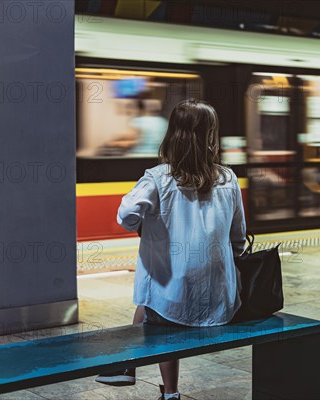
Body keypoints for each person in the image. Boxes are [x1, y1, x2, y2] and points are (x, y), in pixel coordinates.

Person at [95, 99, 246, 400]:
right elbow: (238, 239)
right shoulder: (229, 179)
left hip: (171, 298)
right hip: (220, 300)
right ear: (211, 137)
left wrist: (145, 225)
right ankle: (137, 372)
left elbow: (125, 216)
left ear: (173, 135)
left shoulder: (158, 178)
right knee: (160, 290)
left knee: (156, 291)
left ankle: (141, 374)